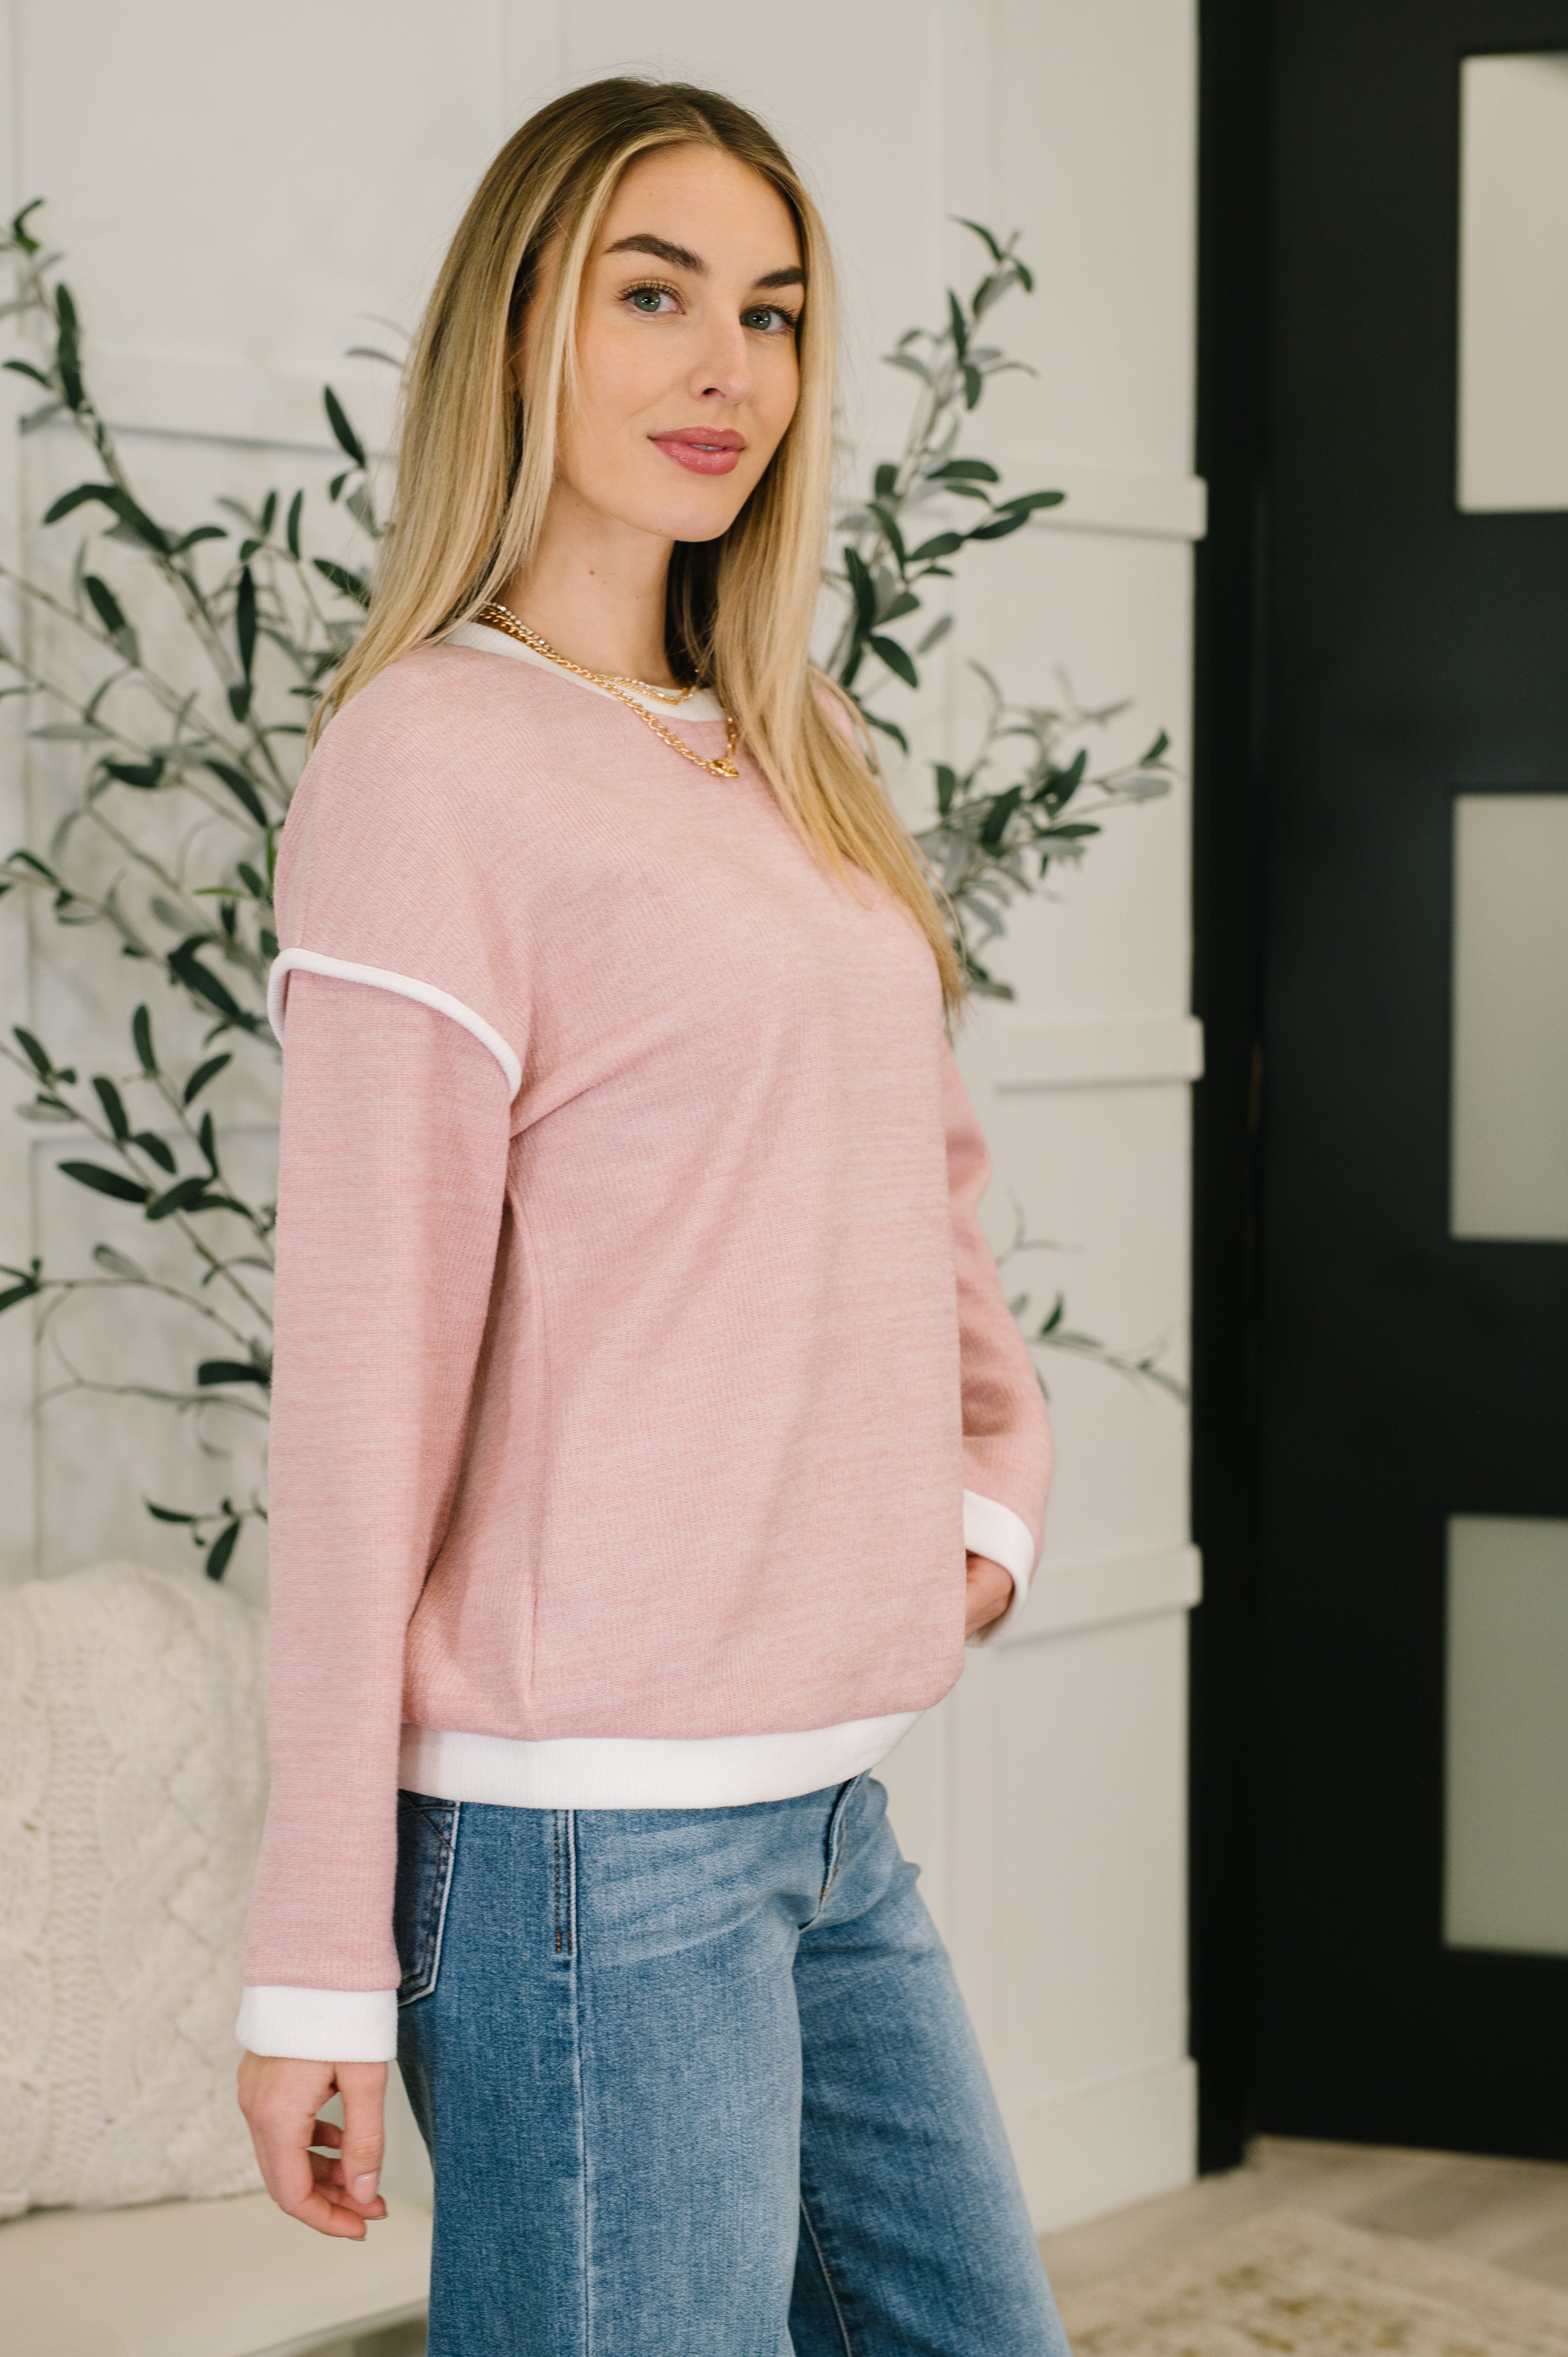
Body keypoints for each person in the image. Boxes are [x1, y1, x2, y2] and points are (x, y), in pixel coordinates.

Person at [236, 75, 1070, 2357]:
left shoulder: (775, 736)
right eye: (656, 293)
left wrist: (990, 1495)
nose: (730, 369)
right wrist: (315, 1945)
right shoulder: (427, 760)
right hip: (574, 1847)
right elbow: (360, 1390)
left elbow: (923, 1172)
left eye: (775, 313)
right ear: (521, 324)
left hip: (817, 1812)